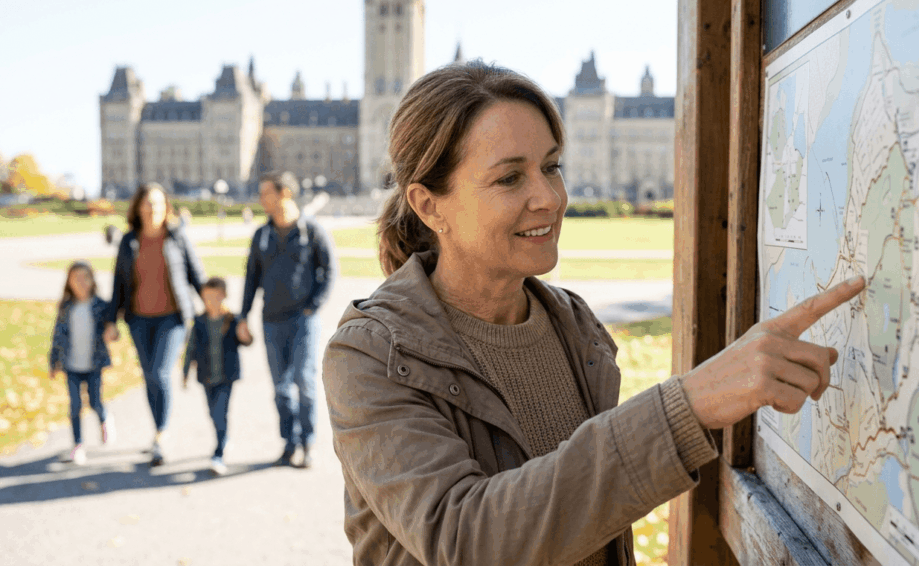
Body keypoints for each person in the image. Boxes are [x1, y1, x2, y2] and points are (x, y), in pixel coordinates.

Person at [322, 61, 867, 566]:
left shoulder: (572, 324)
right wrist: (687, 406)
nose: (550, 197)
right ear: (428, 204)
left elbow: (586, 519)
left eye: (552, 167)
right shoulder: (371, 355)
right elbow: (467, 539)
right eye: (510, 178)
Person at [239, 170, 338, 468]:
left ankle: (307, 443)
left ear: (284, 194)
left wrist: (313, 305)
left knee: (304, 381)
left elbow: (329, 271)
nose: (260, 199)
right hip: (271, 320)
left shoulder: (313, 231)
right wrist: (243, 316)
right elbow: (250, 278)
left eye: (265, 193)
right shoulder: (262, 234)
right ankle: (288, 441)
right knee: (280, 387)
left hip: (303, 320)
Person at [108, 182, 206, 467]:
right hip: (138, 319)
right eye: (148, 204)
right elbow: (118, 283)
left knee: (160, 374)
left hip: (172, 318)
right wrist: (111, 320)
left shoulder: (177, 237)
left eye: (158, 204)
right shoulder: (129, 241)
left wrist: (212, 305)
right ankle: (157, 429)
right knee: (149, 376)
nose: (153, 210)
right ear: (138, 207)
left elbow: (195, 275)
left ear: (166, 208)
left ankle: (160, 436)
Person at [49, 260, 118, 465]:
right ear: (68, 282)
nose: (80, 282)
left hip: (93, 364)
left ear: (92, 280)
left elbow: (113, 330)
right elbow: (57, 336)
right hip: (71, 365)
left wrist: (112, 333)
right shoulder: (66, 308)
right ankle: (77, 445)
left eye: (84, 277)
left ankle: (105, 419)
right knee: (75, 406)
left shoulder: (100, 306)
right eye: (75, 278)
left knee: (95, 401)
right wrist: (53, 362)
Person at [182, 277, 253, 476]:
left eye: (213, 297)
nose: (209, 301)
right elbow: (191, 348)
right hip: (206, 376)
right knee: (213, 413)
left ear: (223, 296)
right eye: (206, 297)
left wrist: (247, 336)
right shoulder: (199, 320)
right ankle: (224, 437)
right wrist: (185, 372)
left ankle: (218, 454)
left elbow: (247, 340)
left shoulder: (232, 319)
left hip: (226, 376)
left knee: (220, 412)